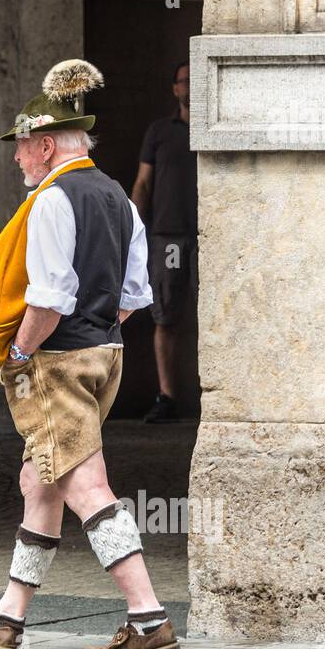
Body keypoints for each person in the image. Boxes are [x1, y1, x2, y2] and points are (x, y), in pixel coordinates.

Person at [0, 60, 180, 649]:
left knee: (85, 483)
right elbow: (134, 297)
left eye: (23, 146)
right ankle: (7, 618)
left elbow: (48, 299)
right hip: (106, 352)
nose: (17, 157)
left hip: (56, 361)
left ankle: (148, 617)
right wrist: (96, 337)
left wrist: (23, 354)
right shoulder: (116, 197)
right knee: (41, 480)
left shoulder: (53, 200)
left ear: (48, 144)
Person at [131, 62, 197, 423]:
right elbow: (142, 184)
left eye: (195, 79)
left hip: (209, 235)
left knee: (212, 316)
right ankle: (167, 396)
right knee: (166, 315)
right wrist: (136, 230)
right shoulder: (159, 131)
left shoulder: (211, 128)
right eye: (184, 81)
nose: (189, 87)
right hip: (168, 237)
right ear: (174, 89)